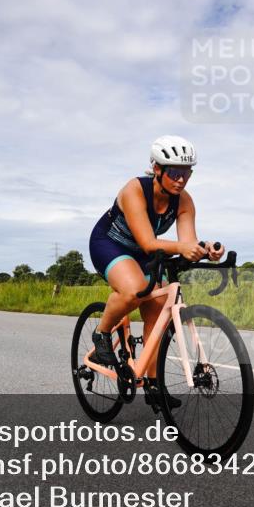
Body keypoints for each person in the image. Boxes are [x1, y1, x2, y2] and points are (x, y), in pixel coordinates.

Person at [88, 135, 224, 408]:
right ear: (157, 169)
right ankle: (102, 334)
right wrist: (183, 247)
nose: (181, 180)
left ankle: (153, 385)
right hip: (110, 245)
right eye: (174, 172)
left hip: (144, 252)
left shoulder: (184, 201)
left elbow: (187, 242)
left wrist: (206, 249)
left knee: (159, 309)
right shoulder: (134, 190)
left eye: (186, 173)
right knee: (134, 290)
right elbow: (149, 243)